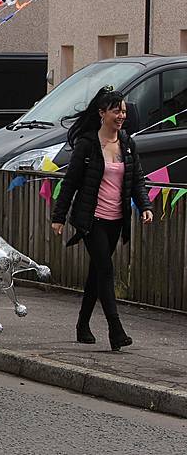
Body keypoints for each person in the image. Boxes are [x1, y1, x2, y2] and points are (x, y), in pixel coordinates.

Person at [51, 87, 153, 351]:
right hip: (91, 219)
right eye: (116, 110)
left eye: (123, 111)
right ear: (102, 113)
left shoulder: (128, 144)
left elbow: (137, 179)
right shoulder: (88, 144)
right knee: (106, 270)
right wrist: (59, 217)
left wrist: (145, 206)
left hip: (116, 219)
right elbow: (71, 182)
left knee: (97, 271)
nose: (121, 116)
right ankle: (116, 330)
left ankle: (82, 324)